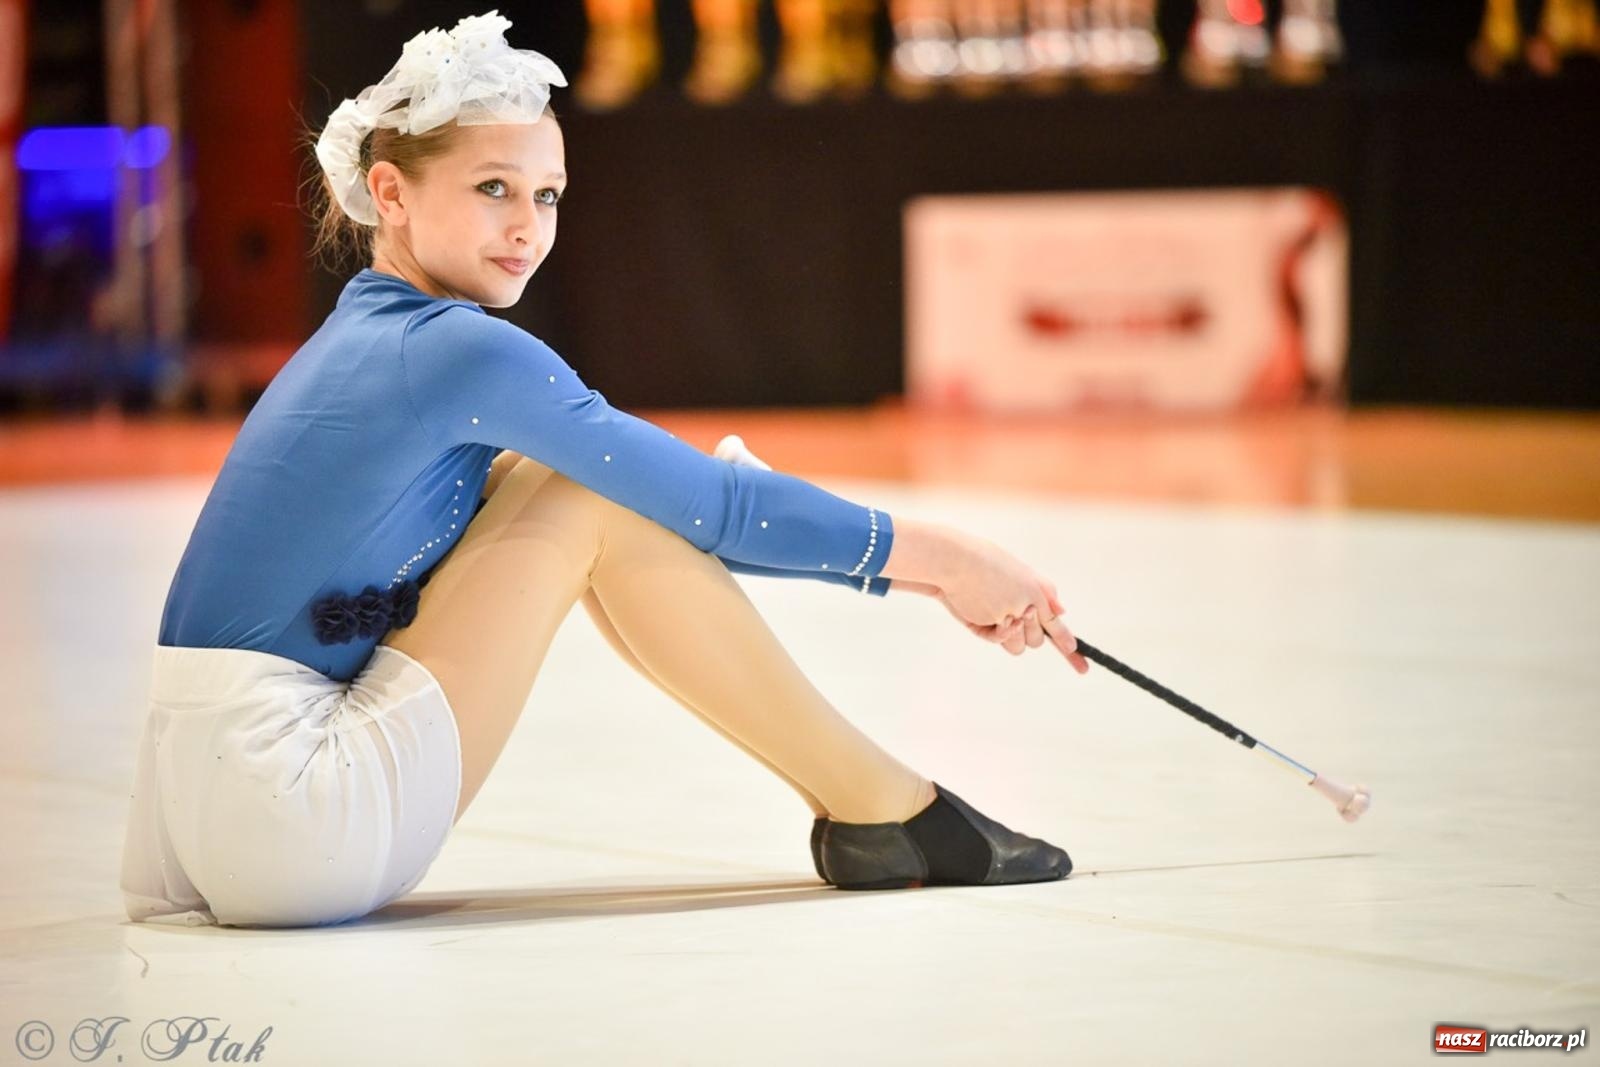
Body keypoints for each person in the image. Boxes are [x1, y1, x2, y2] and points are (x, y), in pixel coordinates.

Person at [118, 10, 1090, 929]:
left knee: (572, 487)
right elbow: (713, 507)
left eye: (546, 196)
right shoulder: (459, 350)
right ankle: (885, 806)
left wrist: (694, 498)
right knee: (594, 489)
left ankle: (877, 808)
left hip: (200, 818)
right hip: (292, 812)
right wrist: (946, 561)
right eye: (493, 187)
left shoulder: (366, 340)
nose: (527, 226)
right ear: (391, 193)